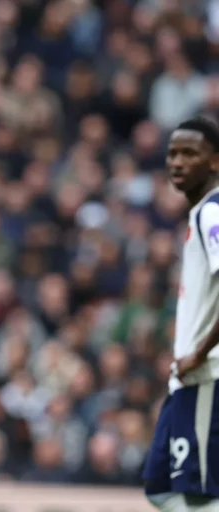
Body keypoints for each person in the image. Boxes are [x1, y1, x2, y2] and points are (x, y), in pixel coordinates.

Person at [142, 116, 219, 512]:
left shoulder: (213, 213)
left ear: (215, 161)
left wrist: (201, 352)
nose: (177, 162)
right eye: (172, 153)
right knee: (161, 486)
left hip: (206, 376)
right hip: (187, 379)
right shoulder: (200, 213)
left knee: (196, 493)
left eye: (190, 153)